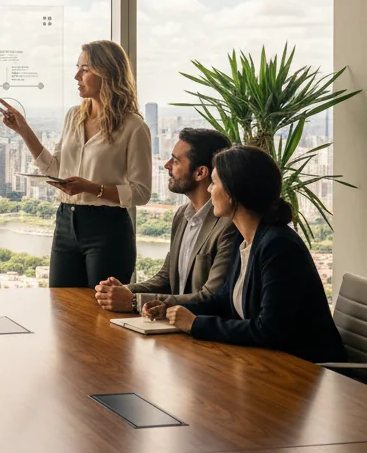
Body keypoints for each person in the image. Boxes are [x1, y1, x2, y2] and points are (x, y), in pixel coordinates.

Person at [146, 145, 346, 365]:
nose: (210, 190)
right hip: (263, 363)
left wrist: (195, 324)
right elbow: (222, 300)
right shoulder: (244, 239)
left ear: (233, 193)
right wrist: (170, 309)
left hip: (304, 371)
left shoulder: (279, 246)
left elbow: (269, 329)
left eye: (214, 182)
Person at [0, 40, 152, 289]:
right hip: (65, 223)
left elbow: (142, 192)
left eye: (85, 69)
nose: (76, 76)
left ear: (108, 72)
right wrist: (23, 130)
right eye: (78, 68)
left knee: (101, 315)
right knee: (62, 308)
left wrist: (91, 188)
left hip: (108, 229)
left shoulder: (134, 127)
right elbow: (56, 169)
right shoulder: (73, 116)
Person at [95, 128, 235, 312]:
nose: (167, 165)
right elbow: (166, 279)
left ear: (200, 173)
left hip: (203, 331)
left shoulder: (228, 225)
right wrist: (122, 291)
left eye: (176, 161)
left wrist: (134, 301)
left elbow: (212, 296)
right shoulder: (182, 215)